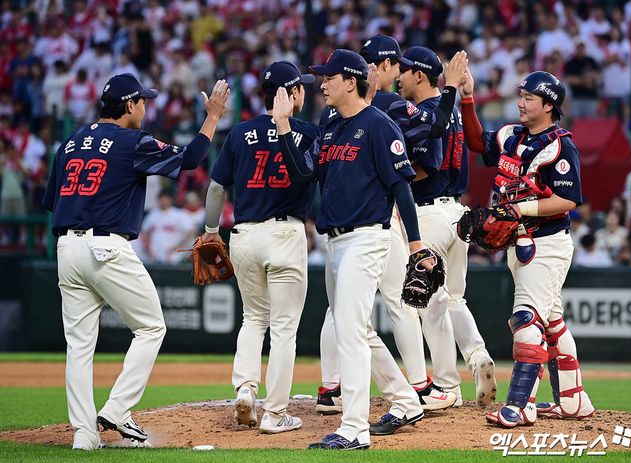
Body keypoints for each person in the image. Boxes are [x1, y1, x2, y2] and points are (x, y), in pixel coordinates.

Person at [42, 73, 229, 450]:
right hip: (106, 246)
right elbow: (191, 158)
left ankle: (84, 435)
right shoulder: (132, 141)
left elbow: (51, 202)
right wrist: (212, 116)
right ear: (129, 105)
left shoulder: (71, 142)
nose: (145, 107)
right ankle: (117, 410)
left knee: (79, 346)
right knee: (151, 327)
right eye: (142, 101)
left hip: (66, 248)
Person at [273, 49, 437, 450]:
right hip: (335, 241)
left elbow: (401, 187)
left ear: (351, 82)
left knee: (349, 328)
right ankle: (404, 399)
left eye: (328, 77)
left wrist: (415, 243)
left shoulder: (379, 125)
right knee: (358, 327)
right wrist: (282, 127)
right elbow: (304, 172)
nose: (322, 84)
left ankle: (354, 429)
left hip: (367, 238)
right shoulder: (330, 126)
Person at [316, 35, 466, 415]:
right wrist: (450, 89)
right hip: (378, 221)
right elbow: (435, 127)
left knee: (340, 312)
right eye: (396, 65)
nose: (399, 73)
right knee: (399, 303)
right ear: (382, 66)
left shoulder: (329, 116)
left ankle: (331, 388)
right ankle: (417, 387)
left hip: (339, 229)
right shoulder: (386, 106)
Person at [459, 69, 595, 427]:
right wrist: (468, 98)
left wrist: (522, 208)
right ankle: (573, 400)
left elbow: (568, 199)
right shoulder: (512, 135)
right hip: (519, 242)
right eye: (521, 95)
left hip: (546, 243)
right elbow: (477, 143)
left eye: (529, 98)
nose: (520, 102)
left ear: (548, 105)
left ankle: (521, 405)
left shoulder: (560, 145)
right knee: (552, 323)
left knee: (526, 319)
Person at [201, 61, 320, 434]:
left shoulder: (240, 133)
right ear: (291, 93)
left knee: (253, 319)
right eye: (301, 87)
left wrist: (210, 230)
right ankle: (276, 412)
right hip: (285, 233)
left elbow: (217, 187)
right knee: (284, 328)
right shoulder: (308, 132)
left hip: (245, 235)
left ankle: (245, 390)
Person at [397, 46, 497, 407]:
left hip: (427, 215)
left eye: (404, 70)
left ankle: (446, 386)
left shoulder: (428, 113)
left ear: (419, 75)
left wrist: (392, 181)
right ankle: (477, 355)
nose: (399, 77)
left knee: (428, 304)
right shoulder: (450, 109)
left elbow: (427, 165)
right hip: (456, 213)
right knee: (453, 298)